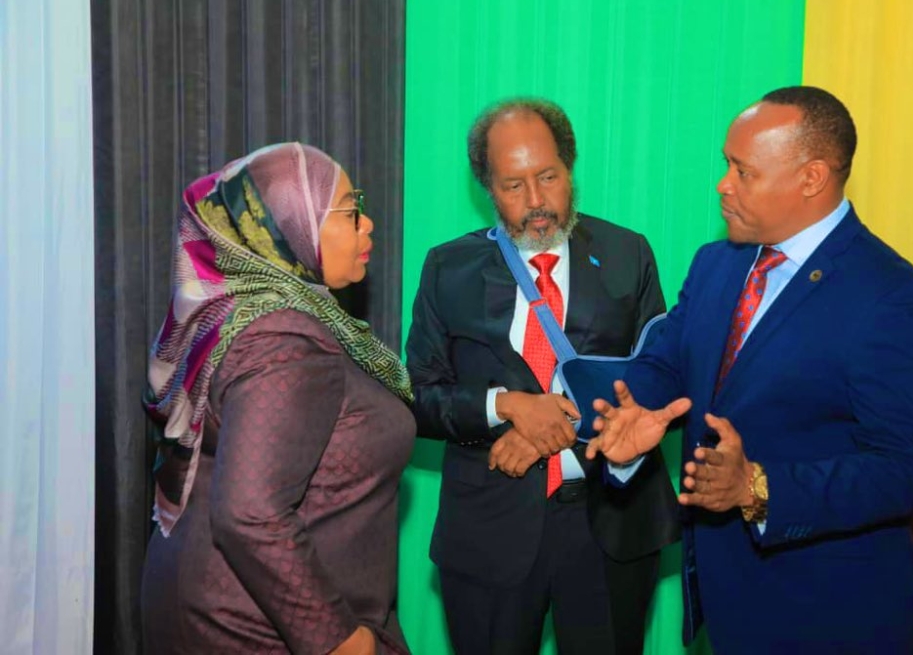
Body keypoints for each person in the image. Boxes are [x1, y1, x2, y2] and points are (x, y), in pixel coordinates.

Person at [585, 86, 913, 654]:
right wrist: (634, 416)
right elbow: (669, 362)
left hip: (833, 618)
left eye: (743, 171)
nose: (722, 185)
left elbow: (904, 470)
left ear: (812, 178)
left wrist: (758, 488)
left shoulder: (895, 299)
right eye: (726, 165)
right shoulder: (718, 262)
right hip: (727, 606)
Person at [405, 98, 679, 655]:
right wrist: (506, 406)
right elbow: (419, 398)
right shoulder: (447, 269)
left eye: (548, 177)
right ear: (487, 189)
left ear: (570, 168)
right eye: (513, 186)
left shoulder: (628, 253)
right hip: (489, 530)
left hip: (612, 526)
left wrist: (550, 427)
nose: (536, 202)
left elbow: (662, 380)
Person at [140, 142, 414, 655]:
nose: (369, 225)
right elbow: (251, 514)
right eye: (351, 211)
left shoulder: (238, 311)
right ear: (292, 225)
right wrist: (336, 638)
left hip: (218, 597)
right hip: (253, 624)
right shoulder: (286, 340)